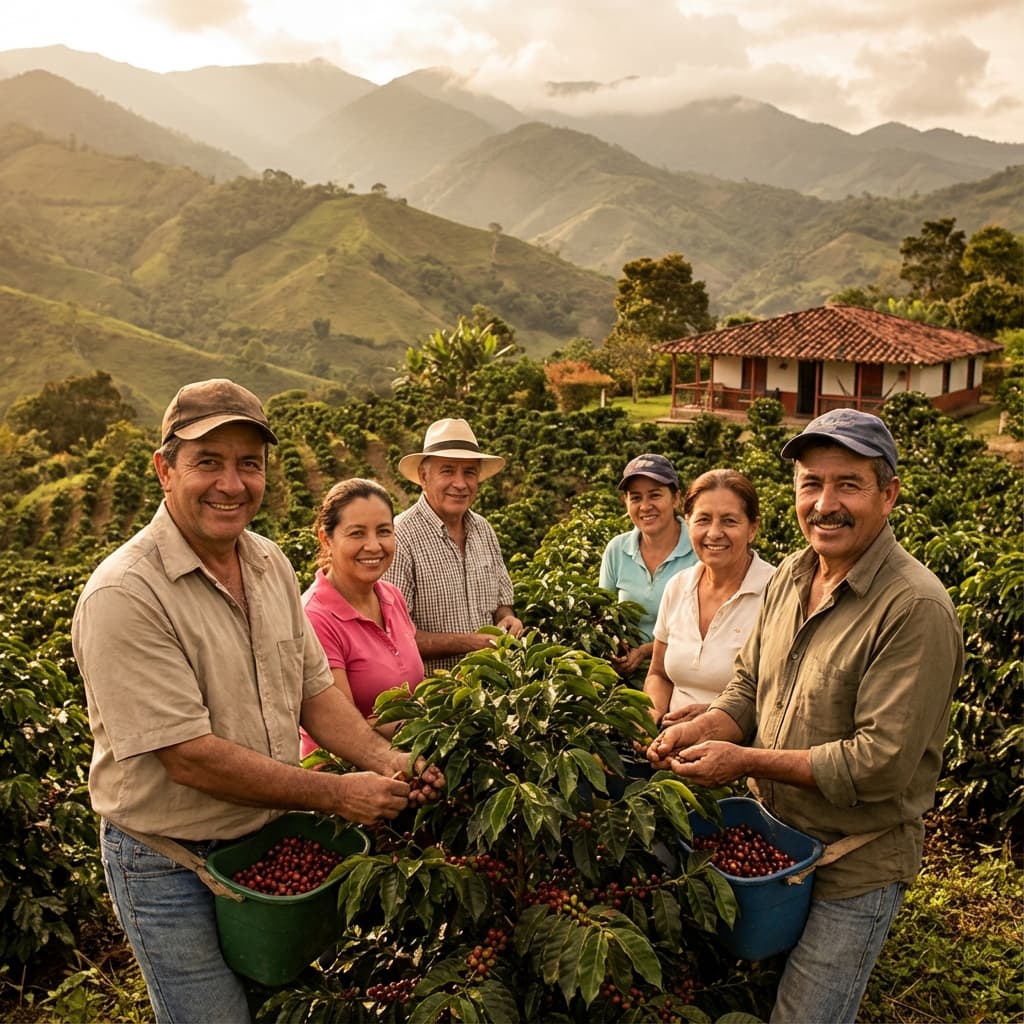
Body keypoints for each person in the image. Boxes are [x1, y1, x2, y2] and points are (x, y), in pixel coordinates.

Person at [71, 379, 443, 1024]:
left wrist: (388, 760)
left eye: (249, 463)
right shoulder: (125, 595)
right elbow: (187, 757)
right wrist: (336, 793)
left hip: (264, 835)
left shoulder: (270, 564)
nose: (232, 483)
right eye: (207, 462)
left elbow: (313, 692)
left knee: (277, 1005)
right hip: (170, 861)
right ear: (164, 469)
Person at [648, 409, 963, 1024]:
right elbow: (748, 687)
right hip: (775, 842)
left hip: (854, 865)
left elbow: (878, 765)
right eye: (810, 485)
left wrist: (742, 760)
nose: (825, 504)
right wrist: (705, 726)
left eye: (848, 484)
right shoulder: (793, 575)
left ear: (888, 493)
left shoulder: (914, 608)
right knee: (756, 992)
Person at [384, 418, 523, 673]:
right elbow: (395, 635)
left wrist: (507, 619)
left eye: (469, 472)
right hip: (432, 699)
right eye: (447, 471)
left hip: (489, 692)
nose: (460, 483)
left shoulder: (484, 530)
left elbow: (502, 603)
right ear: (424, 476)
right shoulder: (401, 536)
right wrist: (471, 643)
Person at [300, 478, 425, 756]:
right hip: (344, 780)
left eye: (383, 531)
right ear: (326, 539)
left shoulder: (392, 597)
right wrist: (434, 717)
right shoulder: (315, 618)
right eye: (357, 533)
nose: (373, 546)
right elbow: (342, 728)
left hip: (400, 765)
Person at [644, 469, 775, 727]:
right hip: (669, 745)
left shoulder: (775, 593)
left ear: (753, 528)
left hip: (737, 754)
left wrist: (717, 716)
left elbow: (781, 697)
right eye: (703, 520)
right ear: (688, 521)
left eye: (729, 521)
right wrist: (650, 717)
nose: (714, 533)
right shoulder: (678, 587)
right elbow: (659, 673)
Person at [599, 454, 697, 681]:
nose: (645, 506)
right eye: (635, 498)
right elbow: (603, 614)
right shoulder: (616, 550)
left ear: (675, 499)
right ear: (626, 502)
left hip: (680, 674)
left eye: (655, 495)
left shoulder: (697, 549)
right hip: (625, 677)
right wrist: (617, 645)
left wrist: (646, 651)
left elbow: (703, 629)